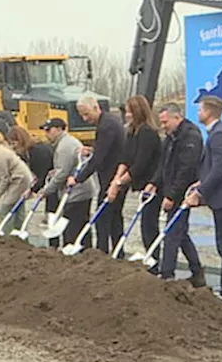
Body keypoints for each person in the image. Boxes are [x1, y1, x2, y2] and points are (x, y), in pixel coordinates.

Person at [186, 95, 222, 303]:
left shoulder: (219, 135)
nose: (198, 113)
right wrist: (200, 183)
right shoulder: (217, 134)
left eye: (200, 110)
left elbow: (219, 169)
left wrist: (201, 193)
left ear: (209, 112)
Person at [146, 103, 206, 286]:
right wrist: (154, 183)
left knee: (172, 233)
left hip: (184, 192)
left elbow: (186, 170)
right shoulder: (170, 138)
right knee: (180, 232)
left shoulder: (191, 137)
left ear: (177, 118)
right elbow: (163, 164)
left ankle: (167, 274)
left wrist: (172, 196)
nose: (163, 126)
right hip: (171, 189)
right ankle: (197, 271)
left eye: (165, 122)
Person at [70, 95, 127, 253]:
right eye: (82, 115)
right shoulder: (110, 121)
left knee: (102, 218)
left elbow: (98, 159)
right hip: (116, 176)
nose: (84, 118)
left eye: (87, 114)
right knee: (115, 217)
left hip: (112, 178)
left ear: (96, 108)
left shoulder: (106, 127)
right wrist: (94, 150)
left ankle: (102, 254)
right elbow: (106, 150)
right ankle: (118, 253)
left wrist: (78, 178)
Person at [108, 95, 162, 253]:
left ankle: (155, 262)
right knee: (146, 225)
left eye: (130, 111)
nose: (127, 114)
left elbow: (139, 165)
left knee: (149, 225)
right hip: (141, 185)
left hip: (153, 185)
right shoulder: (132, 131)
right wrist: (115, 180)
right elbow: (126, 158)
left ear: (138, 112)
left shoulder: (148, 133)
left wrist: (118, 184)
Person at [36, 118, 98, 247]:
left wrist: (46, 190)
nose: (46, 134)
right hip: (82, 190)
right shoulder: (66, 142)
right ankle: (85, 251)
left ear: (59, 129)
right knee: (81, 224)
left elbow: (62, 174)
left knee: (71, 227)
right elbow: (64, 169)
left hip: (77, 192)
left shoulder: (64, 146)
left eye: (49, 130)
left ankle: (73, 252)